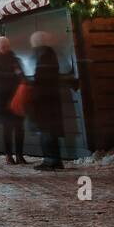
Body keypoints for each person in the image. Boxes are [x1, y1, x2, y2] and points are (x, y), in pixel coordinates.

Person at [30, 31, 67, 171]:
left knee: (47, 130)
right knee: (49, 130)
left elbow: (42, 78)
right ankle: (54, 160)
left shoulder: (44, 55)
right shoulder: (48, 54)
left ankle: (51, 160)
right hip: (50, 98)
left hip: (45, 100)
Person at [0, 36, 27, 165]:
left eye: (6, 45)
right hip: (3, 98)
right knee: (7, 128)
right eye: (2, 45)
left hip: (17, 97)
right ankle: (9, 155)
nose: (4, 47)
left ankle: (20, 155)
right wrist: (12, 75)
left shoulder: (15, 60)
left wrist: (14, 77)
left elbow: (21, 76)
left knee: (19, 127)